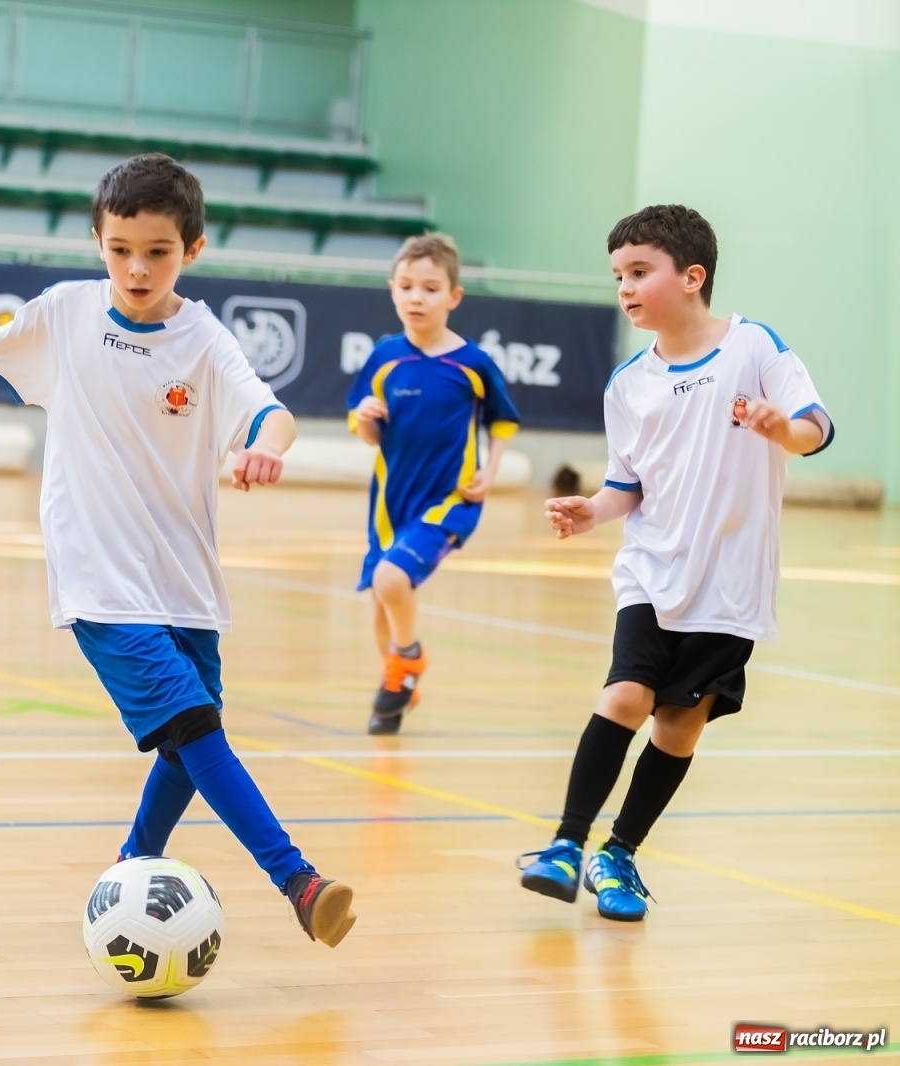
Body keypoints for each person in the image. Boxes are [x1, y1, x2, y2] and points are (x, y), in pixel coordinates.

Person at [0, 153, 357, 948]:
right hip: (99, 583)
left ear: (194, 249)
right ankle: (297, 881)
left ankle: (130, 865)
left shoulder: (205, 338)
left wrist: (266, 448)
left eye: (158, 251)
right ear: (97, 240)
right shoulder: (64, 314)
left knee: (192, 740)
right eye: (120, 249)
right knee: (194, 730)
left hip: (186, 582)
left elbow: (269, 412)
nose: (137, 267)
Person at [518, 205, 833, 921]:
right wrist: (591, 510)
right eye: (618, 276)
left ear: (692, 277)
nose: (625, 288)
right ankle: (567, 844)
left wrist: (783, 429)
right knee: (627, 696)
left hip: (731, 584)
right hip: (652, 573)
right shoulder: (629, 384)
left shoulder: (754, 347)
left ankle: (619, 854)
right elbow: (629, 483)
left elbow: (817, 426)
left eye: (638, 272)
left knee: (678, 727)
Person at [345, 234, 520, 735]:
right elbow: (366, 432)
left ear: (453, 296)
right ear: (392, 291)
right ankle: (399, 681)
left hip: (449, 500)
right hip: (389, 503)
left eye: (429, 287)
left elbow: (502, 420)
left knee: (391, 580)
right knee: (383, 597)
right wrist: (367, 418)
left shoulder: (473, 363)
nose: (416, 297)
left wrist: (493, 467)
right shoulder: (384, 357)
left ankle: (408, 660)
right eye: (406, 286)